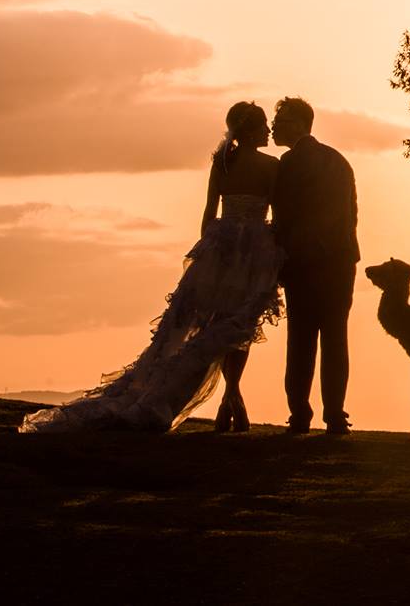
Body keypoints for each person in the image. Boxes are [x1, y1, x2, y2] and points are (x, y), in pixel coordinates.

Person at [20, 102, 284, 434]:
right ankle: (232, 396)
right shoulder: (271, 166)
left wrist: (206, 253)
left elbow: (208, 213)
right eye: (263, 126)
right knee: (236, 326)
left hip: (220, 246)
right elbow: (278, 213)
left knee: (221, 325)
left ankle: (231, 399)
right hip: (251, 250)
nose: (268, 131)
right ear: (250, 131)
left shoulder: (224, 163)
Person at [270, 96, 359, 433]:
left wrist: (282, 256)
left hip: (305, 263)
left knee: (301, 340)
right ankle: (335, 414)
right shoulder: (338, 160)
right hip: (340, 261)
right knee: (336, 338)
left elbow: (284, 216)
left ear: (299, 124)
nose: (275, 126)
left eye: (281, 121)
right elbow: (351, 213)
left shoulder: (290, 163)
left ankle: (300, 414)